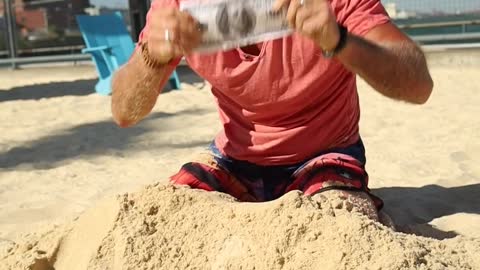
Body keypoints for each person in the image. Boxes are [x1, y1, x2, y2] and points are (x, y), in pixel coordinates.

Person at [111, 0, 433, 221]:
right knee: (158, 218)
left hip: (324, 154)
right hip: (233, 159)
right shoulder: (180, 7)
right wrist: (151, 56)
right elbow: (124, 111)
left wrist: (339, 41)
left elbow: (418, 85)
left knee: (339, 227)